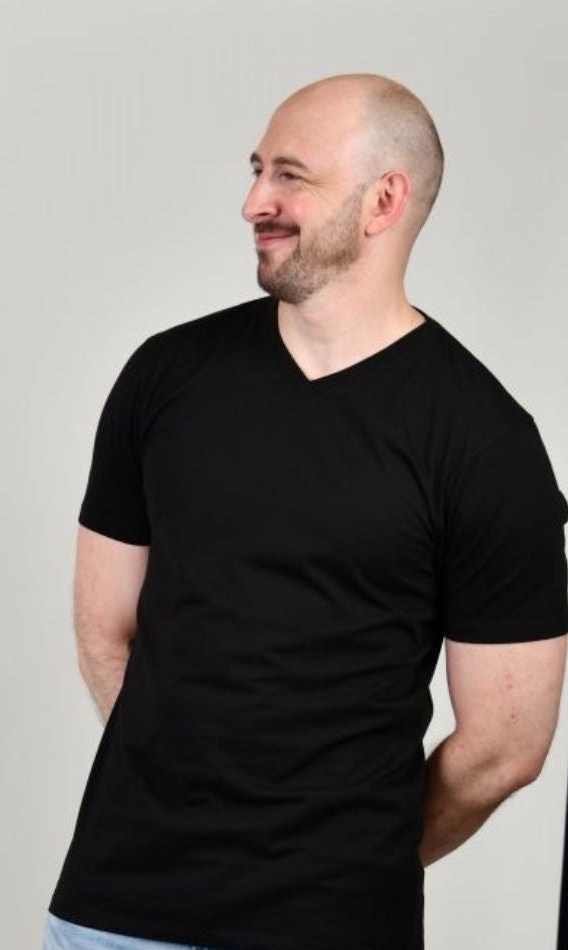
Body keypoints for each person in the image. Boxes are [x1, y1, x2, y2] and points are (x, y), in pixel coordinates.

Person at [44, 74, 564, 950]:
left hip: (333, 925)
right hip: (113, 910)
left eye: (290, 175)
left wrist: (347, 862)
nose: (254, 201)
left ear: (382, 200)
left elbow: (504, 747)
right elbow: (104, 632)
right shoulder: (163, 378)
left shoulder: (484, 442)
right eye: (255, 170)